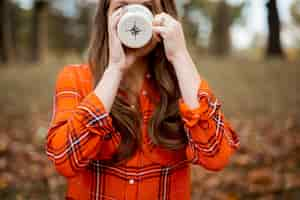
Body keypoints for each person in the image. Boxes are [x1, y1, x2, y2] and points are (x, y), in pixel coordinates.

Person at [45, 0, 240, 199]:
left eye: (146, 8)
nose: (134, 18)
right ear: (105, 18)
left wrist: (180, 56)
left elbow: (217, 157)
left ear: (164, 17)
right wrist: (114, 69)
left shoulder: (184, 83)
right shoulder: (76, 79)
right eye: (121, 8)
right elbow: (65, 161)